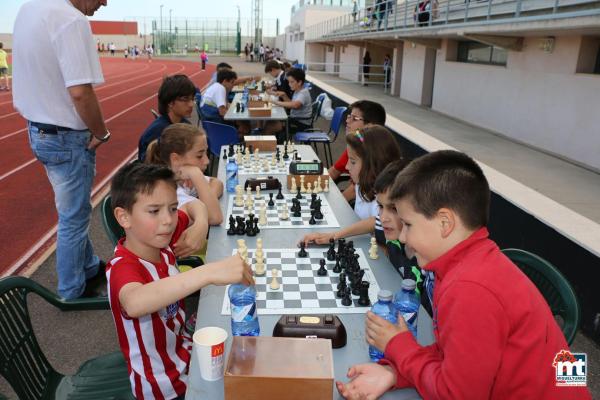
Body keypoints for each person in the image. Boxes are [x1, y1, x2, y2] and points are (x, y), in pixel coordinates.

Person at [336, 150, 592, 400]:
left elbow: (456, 394)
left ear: (445, 223)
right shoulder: (471, 262)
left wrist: (399, 347)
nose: (403, 237)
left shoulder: (470, 289)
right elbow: (453, 358)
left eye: (409, 225)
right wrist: (395, 372)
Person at [107, 162, 253, 400]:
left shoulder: (160, 241)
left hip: (187, 357)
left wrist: (201, 222)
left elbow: (195, 205)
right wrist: (209, 272)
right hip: (163, 388)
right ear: (124, 217)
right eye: (154, 211)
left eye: (172, 208)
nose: (168, 220)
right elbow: (135, 301)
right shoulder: (123, 267)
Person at [13, 0, 110, 300]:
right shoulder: (71, 20)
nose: (104, 2)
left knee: (74, 209)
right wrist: (101, 132)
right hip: (66, 137)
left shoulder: (30, 9)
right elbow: (80, 92)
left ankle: (90, 266)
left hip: (38, 130)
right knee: (74, 216)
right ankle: (71, 290)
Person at [300, 125, 403, 250]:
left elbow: (375, 221)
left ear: (373, 165)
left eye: (353, 162)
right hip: (363, 242)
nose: (347, 167)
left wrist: (335, 235)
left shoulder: (392, 195)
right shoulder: (361, 184)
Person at [145, 123, 224, 225]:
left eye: (206, 153)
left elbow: (217, 183)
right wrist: (196, 175)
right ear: (176, 159)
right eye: (199, 156)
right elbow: (214, 218)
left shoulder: (182, 178)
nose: (207, 161)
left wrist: (207, 199)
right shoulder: (168, 191)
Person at [328, 100, 387, 202]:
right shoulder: (355, 144)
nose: (347, 121)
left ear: (370, 126)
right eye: (349, 116)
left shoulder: (374, 153)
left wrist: (336, 203)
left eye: (354, 119)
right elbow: (334, 171)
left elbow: (357, 189)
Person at [138, 74, 196, 162]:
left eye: (192, 99)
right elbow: (147, 166)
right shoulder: (157, 131)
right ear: (170, 103)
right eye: (185, 99)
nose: (191, 104)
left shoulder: (186, 125)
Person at [271, 68, 313, 137]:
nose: (289, 84)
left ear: (299, 82)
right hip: (295, 120)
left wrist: (276, 102)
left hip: (301, 123)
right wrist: (284, 95)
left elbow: (295, 105)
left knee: (272, 126)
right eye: (289, 82)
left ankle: (278, 144)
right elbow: (291, 103)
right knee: (273, 123)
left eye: (292, 82)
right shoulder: (297, 90)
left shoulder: (303, 93)